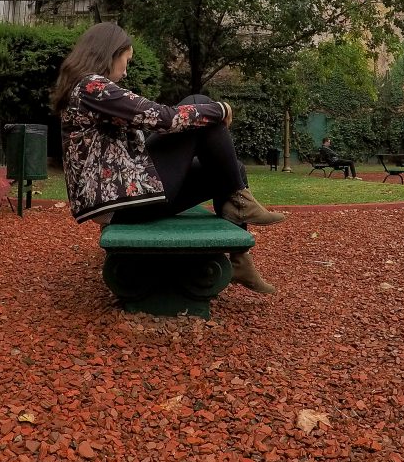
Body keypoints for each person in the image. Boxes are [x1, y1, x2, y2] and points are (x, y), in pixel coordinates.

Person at [51, 23, 285, 294]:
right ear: (109, 54)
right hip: (122, 202)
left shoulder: (86, 89)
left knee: (231, 168)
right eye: (125, 62)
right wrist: (220, 109)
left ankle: (239, 254)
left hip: (124, 193)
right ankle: (239, 206)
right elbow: (163, 119)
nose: (125, 72)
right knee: (203, 111)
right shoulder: (92, 87)